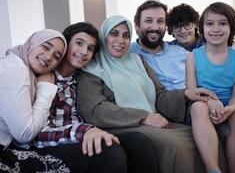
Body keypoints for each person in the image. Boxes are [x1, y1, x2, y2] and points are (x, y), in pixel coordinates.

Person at [130, 0, 235, 171]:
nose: (155, 26)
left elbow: (212, 65)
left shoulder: (178, 50)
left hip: (225, 96)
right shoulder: (130, 55)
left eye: (160, 21)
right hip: (191, 102)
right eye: (148, 21)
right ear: (136, 25)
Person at [77, 15, 223, 173]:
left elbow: (159, 95)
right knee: (173, 145)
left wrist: (187, 93)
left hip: (153, 120)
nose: (121, 40)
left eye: (126, 36)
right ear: (103, 36)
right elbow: (96, 110)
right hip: (121, 126)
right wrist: (144, 117)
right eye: (114, 34)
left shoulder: (137, 60)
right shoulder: (91, 68)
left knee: (201, 138)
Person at [27, 22, 158, 173]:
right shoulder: (44, 78)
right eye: (79, 43)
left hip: (83, 135)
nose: (84, 52)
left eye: (90, 48)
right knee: (109, 152)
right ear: (65, 44)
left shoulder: (82, 78)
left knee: (139, 142)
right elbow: (36, 133)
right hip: (52, 144)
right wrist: (85, 131)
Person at [0, 29, 70, 172]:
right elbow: (25, 134)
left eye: (56, 56)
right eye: (45, 47)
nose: (48, 57)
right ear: (31, 44)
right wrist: (46, 88)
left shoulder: (21, 68)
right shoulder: (15, 69)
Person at [186, 2, 235, 173]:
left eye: (223, 23)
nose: (216, 28)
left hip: (232, 103)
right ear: (201, 28)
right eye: (210, 23)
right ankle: (213, 169)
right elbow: (190, 91)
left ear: (232, 27)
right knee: (198, 108)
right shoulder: (193, 57)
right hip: (204, 102)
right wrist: (208, 100)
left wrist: (229, 109)